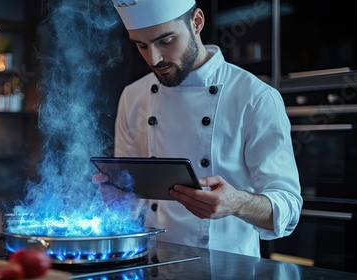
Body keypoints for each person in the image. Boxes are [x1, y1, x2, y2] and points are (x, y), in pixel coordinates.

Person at [93, 0, 302, 258]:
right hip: (149, 265)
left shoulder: (255, 97)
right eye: (141, 45)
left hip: (227, 269)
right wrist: (119, 198)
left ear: (197, 22)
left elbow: (289, 208)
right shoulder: (133, 96)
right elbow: (133, 203)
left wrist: (236, 204)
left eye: (166, 41)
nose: (154, 58)